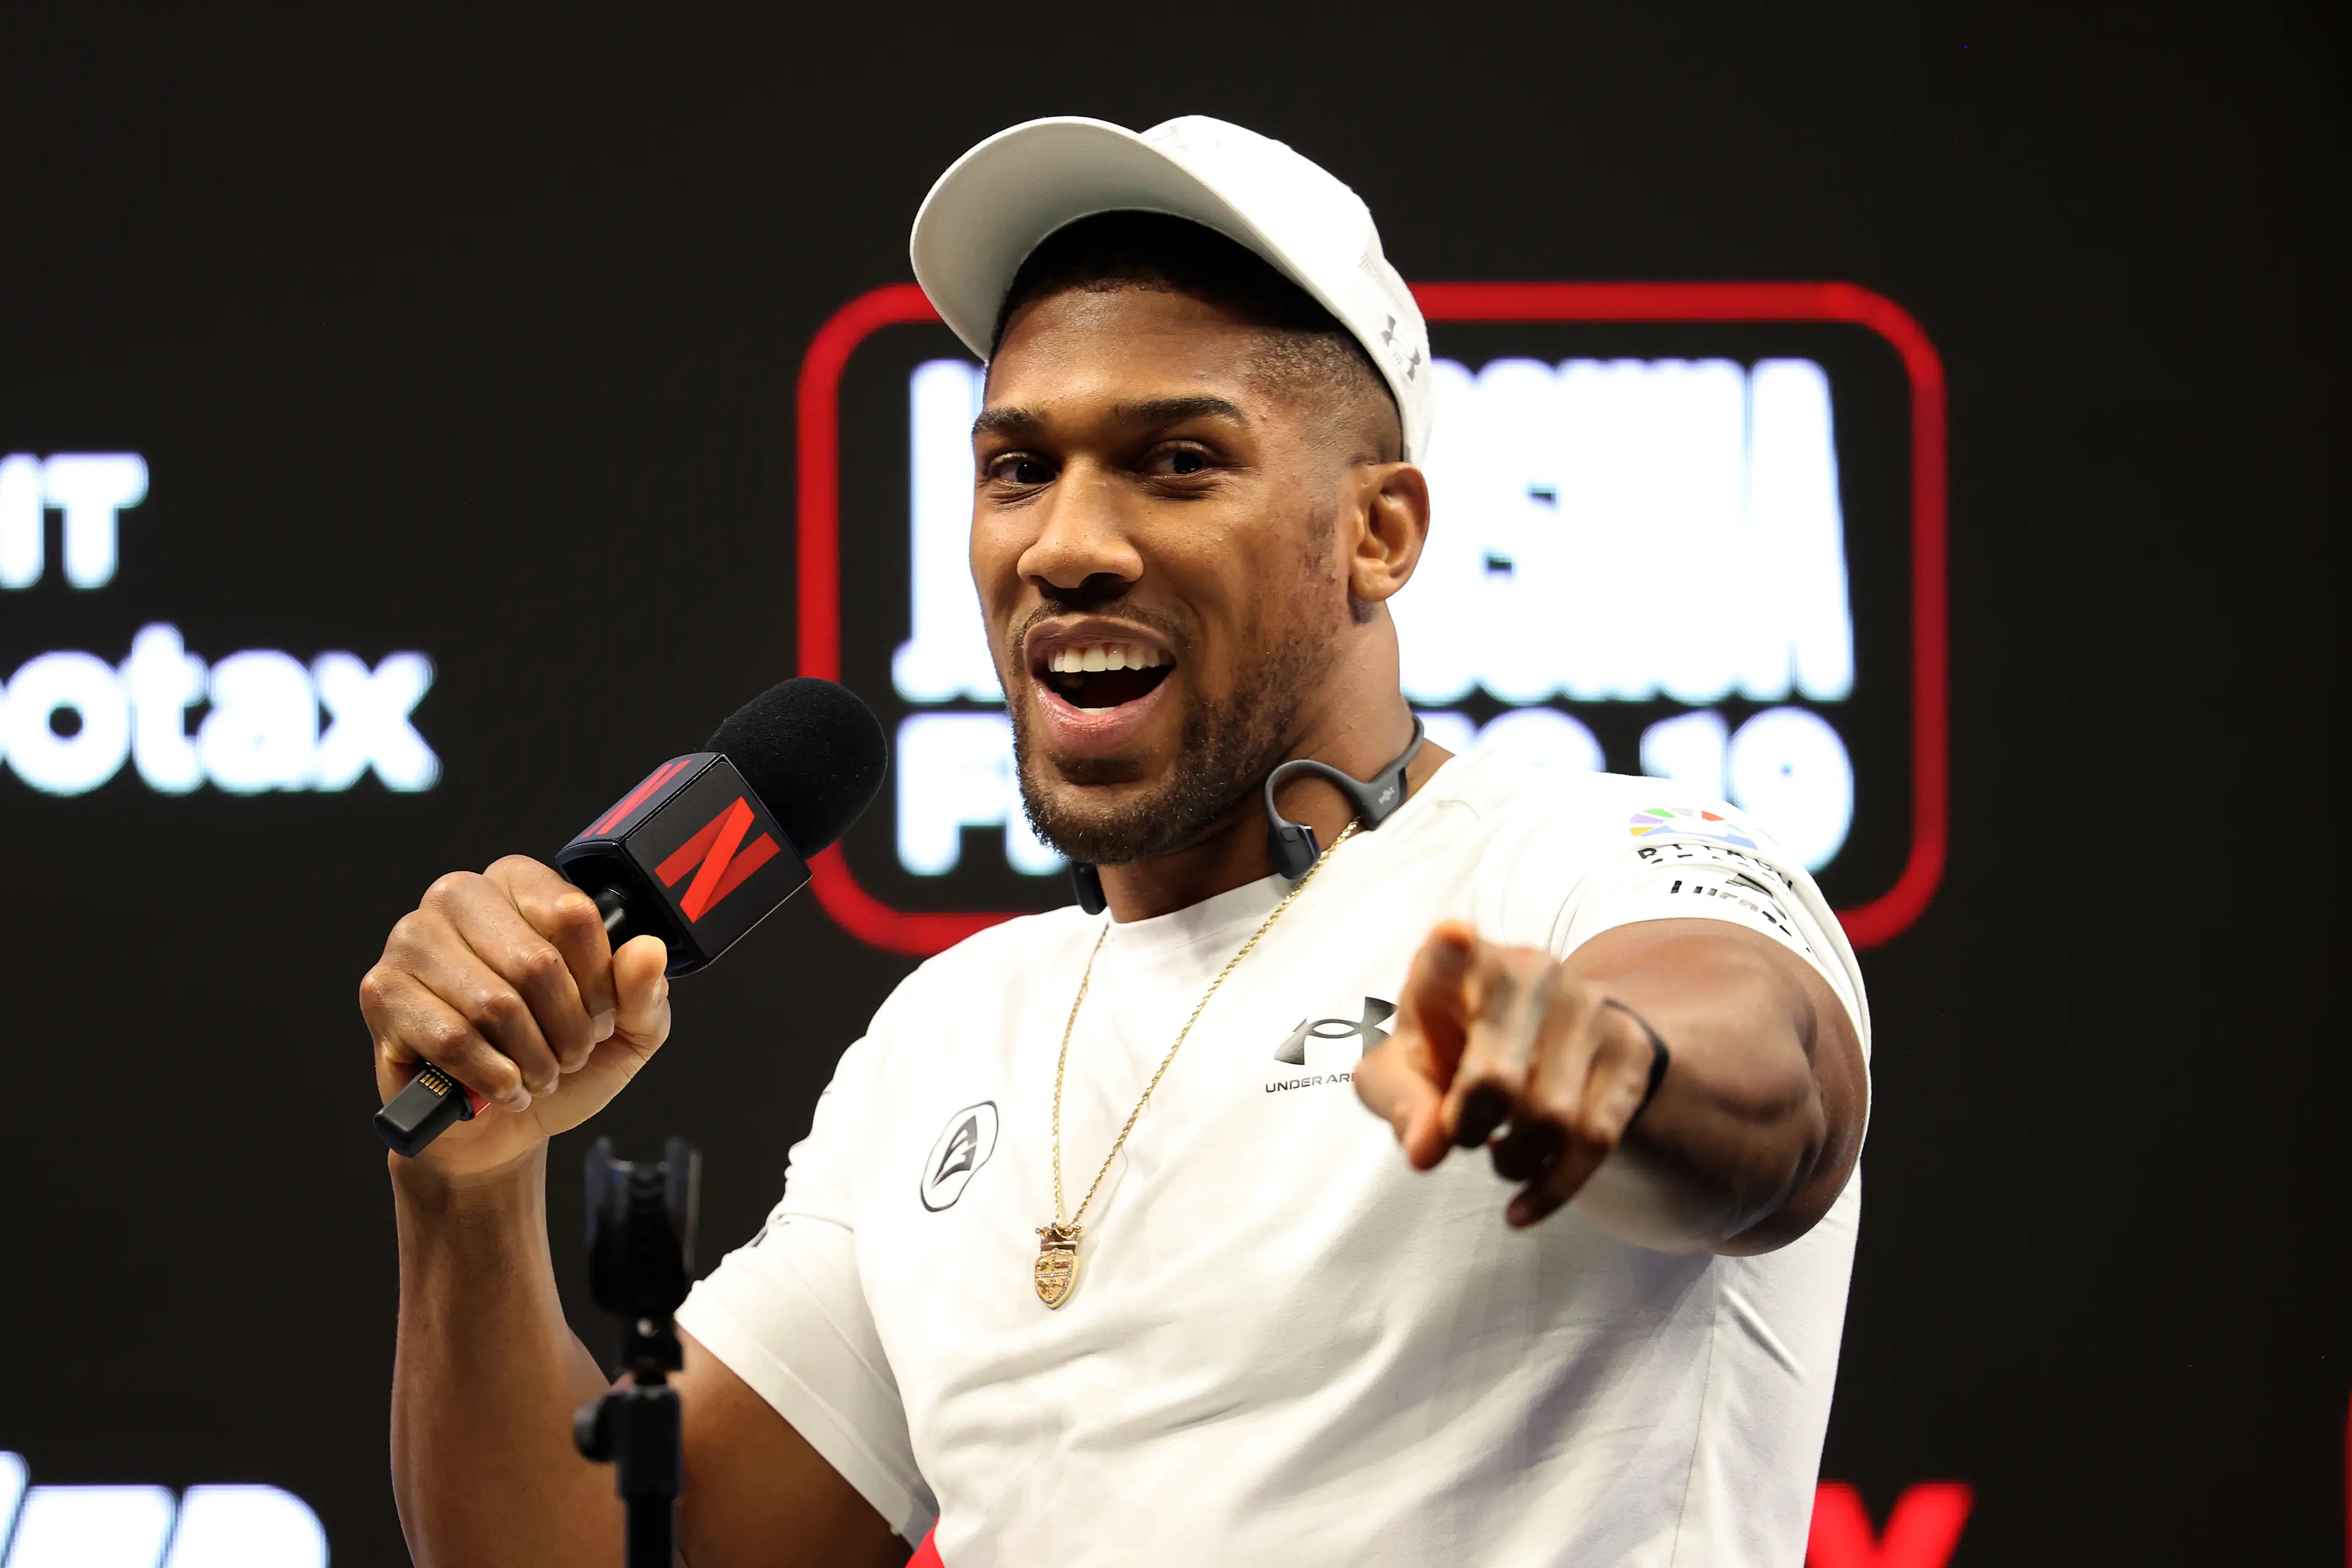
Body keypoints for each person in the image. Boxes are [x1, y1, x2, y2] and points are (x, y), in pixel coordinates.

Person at [361, 115, 1870, 1567]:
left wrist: (1611, 1067)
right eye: (1019, 468)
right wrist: (472, 1189)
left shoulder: (1578, 857)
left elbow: (1774, 1083)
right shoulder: (956, 1028)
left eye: (1179, 462)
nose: (1066, 544)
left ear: (1381, 531)